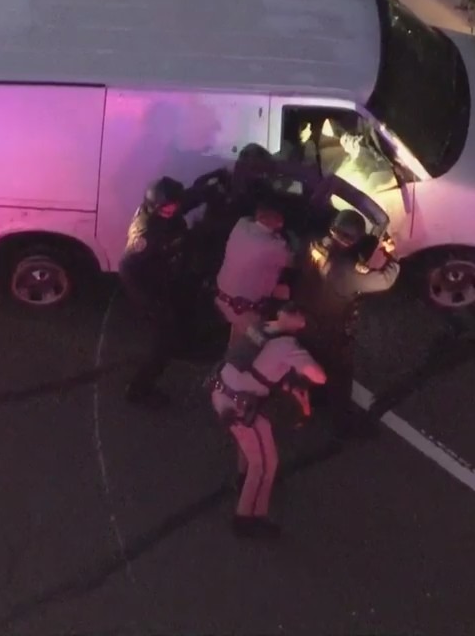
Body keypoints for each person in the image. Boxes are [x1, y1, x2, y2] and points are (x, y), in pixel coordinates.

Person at [209, 302, 325, 539]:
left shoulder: (262, 328)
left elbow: (257, 366)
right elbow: (319, 377)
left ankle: (243, 479)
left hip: (222, 393)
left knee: (251, 444)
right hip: (242, 407)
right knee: (264, 463)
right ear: (299, 321)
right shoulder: (288, 346)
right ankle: (248, 517)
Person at [291, 209, 400, 439]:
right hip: (331, 330)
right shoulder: (346, 270)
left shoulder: (313, 244)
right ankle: (343, 425)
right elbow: (384, 280)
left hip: (303, 321)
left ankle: (316, 399)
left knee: (312, 362)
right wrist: (393, 257)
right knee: (340, 376)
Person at [119, 176, 196, 406]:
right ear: (156, 206)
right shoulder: (145, 233)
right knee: (162, 342)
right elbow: (127, 268)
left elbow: (189, 199)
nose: (173, 210)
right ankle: (139, 389)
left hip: (163, 279)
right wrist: (150, 304)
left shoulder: (163, 211)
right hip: (150, 291)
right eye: (167, 207)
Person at [213, 196, 295, 349]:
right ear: (279, 221)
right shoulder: (276, 246)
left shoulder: (241, 224)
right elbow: (293, 262)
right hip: (242, 311)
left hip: (220, 296)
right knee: (290, 293)